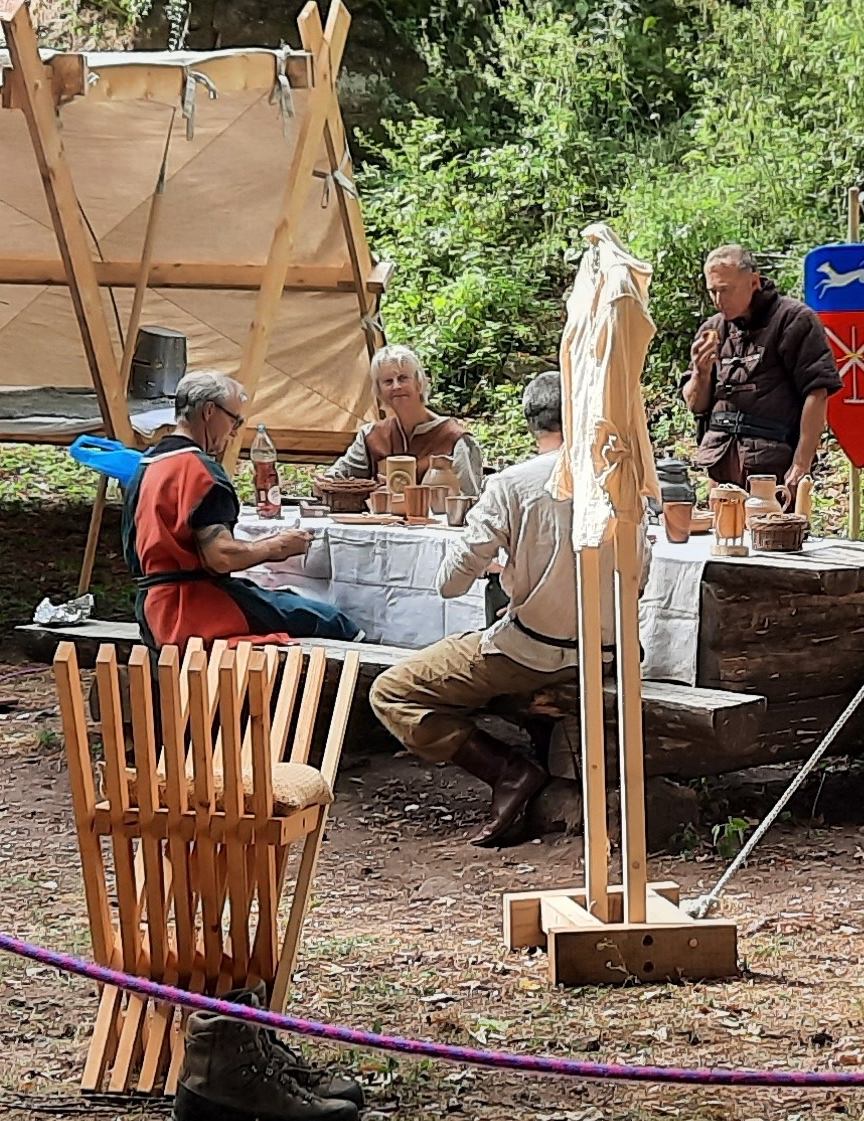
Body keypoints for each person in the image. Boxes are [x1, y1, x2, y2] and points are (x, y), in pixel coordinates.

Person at [369, 373, 576, 846]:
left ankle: (509, 771)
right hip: (607, 651)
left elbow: (449, 583)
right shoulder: (619, 477)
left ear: (529, 424)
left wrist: (503, 567)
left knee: (392, 690)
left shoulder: (515, 483)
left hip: (535, 655)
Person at [133, 371, 357, 645]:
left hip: (151, 612)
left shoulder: (144, 467)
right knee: (333, 621)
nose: (235, 430)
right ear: (209, 411)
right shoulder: (199, 472)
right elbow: (221, 558)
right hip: (194, 610)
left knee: (284, 600)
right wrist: (278, 546)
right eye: (234, 420)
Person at [681, 244, 839, 501]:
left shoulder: (794, 319)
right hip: (720, 460)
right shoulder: (712, 329)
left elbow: (817, 393)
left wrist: (801, 463)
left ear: (753, 282)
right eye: (713, 292)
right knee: (723, 537)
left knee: (772, 537)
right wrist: (700, 372)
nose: (719, 301)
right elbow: (696, 405)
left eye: (726, 290)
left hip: (772, 463)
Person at [320, 344, 486, 507]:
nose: (396, 386)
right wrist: (325, 482)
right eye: (388, 381)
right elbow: (336, 478)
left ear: (419, 383)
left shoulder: (455, 439)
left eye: (403, 378)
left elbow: (471, 501)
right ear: (379, 392)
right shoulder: (371, 436)